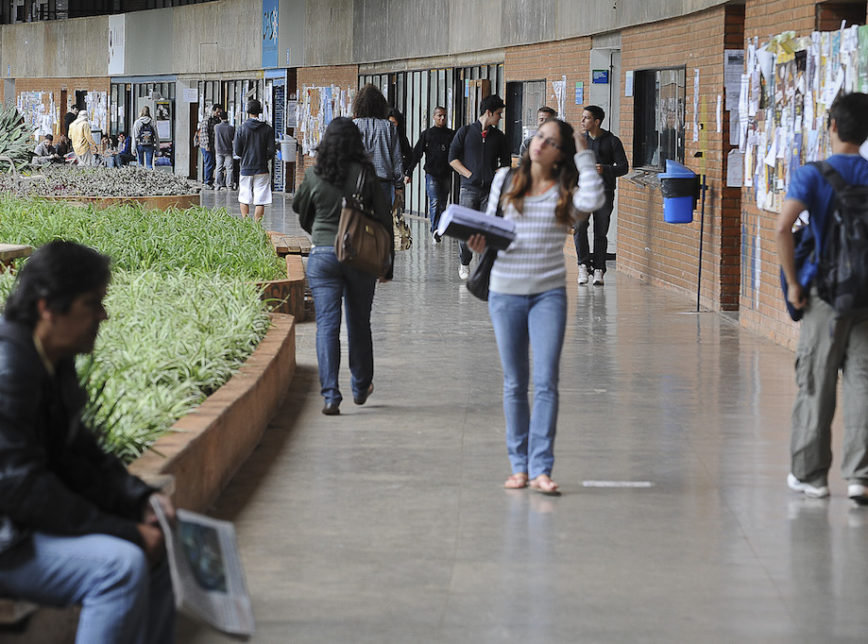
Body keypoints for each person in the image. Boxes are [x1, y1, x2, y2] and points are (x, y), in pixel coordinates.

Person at [0, 240, 176, 643]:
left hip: (23, 523)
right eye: (91, 304)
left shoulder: (50, 357)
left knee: (161, 549)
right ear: (48, 307)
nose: (104, 315)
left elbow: (79, 453)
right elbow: (19, 487)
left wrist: (139, 500)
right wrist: (125, 532)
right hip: (9, 535)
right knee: (120, 565)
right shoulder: (9, 369)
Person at [467, 118, 604, 495]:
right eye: (538, 136)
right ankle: (519, 466)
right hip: (505, 291)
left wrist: (584, 152)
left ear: (561, 155)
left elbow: (594, 200)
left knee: (545, 382)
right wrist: (480, 243)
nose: (539, 144)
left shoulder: (565, 189)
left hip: (548, 294)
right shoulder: (505, 180)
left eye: (550, 141)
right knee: (514, 382)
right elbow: (490, 227)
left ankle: (541, 468)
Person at [774, 92, 868, 503]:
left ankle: (811, 475)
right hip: (865, 295)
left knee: (817, 381)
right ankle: (860, 477)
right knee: (863, 383)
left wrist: (794, 284)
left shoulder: (812, 174)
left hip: (824, 296)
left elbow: (783, 229)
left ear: (832, 125)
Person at [292, 117, 392, 416]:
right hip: (360, 257)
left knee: (327, 325)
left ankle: (331, 396)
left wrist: (319, 233)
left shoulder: (314, 174)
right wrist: (387, 263)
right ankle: (361, 386)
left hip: (322, 257)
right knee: (359, 322)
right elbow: (384, 219)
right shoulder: (366, 174)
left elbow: (300, 209)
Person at [449, 94, 511, 279]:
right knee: (467, 229)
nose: (500, 117)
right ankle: (465, 261)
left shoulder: (499, 137)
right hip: (468, 189)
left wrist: (497, 175)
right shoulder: (465, 132)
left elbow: (506, 162)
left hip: (491, 191)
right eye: (498, 113)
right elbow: (452, 158)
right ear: (488, 112)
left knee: (487, 230)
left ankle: (484, 267)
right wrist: (470, 174)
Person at [573, 105, 628, 286]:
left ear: (596, 121)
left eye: (586, 118)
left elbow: (624, 167)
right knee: (580, 227)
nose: (582, 121)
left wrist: (605, 169)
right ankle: (583, 264)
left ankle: (598, 269)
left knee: (600, 232)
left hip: (604, 192)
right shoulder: (580, 141)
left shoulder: (612, 141)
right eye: (582, 117)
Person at [406, 106, 455, 242]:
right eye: (439, 115)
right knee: (434, 201)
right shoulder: (427, 134)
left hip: (446, 173)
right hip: (432, 173)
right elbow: (417, 154)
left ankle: (439, 228)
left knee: (442, 204)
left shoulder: (451, 135)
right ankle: (435, 230)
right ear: (434, 117)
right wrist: (409, 171)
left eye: (444, 115)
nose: (442, 118)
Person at [352, 84, 403, 207]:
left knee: (360, 220)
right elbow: (396, 158)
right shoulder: (389, 127)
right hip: (383, 183)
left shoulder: (354, 125)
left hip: (359, 181)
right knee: (380, 223)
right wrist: (399, 185)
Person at [233, 99, 275, 222]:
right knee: (260, 199)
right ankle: (256, 226)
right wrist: (263, 157)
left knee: (244, 196)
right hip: (262, 168)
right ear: (260, 111)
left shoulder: (241, 129)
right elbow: (272, 151)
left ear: (247, 111)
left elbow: (237, 151)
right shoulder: (267, 129)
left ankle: (246, 224)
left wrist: (245, 156)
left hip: (245, 167)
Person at [197, 104, 222, 188]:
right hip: (206, 146)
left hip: (213, 145)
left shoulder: (217, 120)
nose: (218, 114)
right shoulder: (207, 119)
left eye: (220, 112)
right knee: (209, 163)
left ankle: (210, 180)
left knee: (213, 163)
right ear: (213, 110)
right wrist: (207, 145)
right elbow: (204, 133)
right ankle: (207, 182)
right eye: (217, 112)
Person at [214, 114, 236, 190]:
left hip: (219, 150)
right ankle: (229, 186)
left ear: (220, 117)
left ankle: (217, 185)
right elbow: (233, 138)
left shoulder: (216, 127)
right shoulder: (231, 128)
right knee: (229, 169)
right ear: (228, 118)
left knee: (219, 168)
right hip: (228, 150)